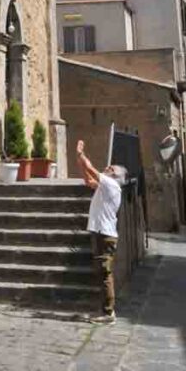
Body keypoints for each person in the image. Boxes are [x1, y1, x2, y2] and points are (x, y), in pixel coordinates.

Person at [76, 139, 128, 325]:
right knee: (102, 273)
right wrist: (80, 161)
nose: (107, 167)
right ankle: (105, 310)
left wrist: (82, 155)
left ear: (114, 176)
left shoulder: (112, 186)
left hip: (104, 235)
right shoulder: (105, 188)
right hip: (100, 232)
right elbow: (87, 179)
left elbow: (93, 171)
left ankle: (108, 313)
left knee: (105, 274)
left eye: (111, 168)